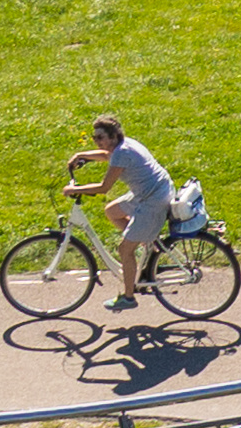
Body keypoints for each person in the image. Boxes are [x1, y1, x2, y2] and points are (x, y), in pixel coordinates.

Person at [69, 114, 185, 306]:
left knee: (124, 249)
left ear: (113, 137)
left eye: (100, 137)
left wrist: (74, 190)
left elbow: (104, 187)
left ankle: (129, 297)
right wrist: (82, 155)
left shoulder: (122, 153)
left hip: (153, 199)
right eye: (94, 138)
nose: (96, 141)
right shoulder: (123, 145)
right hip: (150, 192)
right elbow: (107, 156)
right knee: (112, 211)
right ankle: (147, 248)